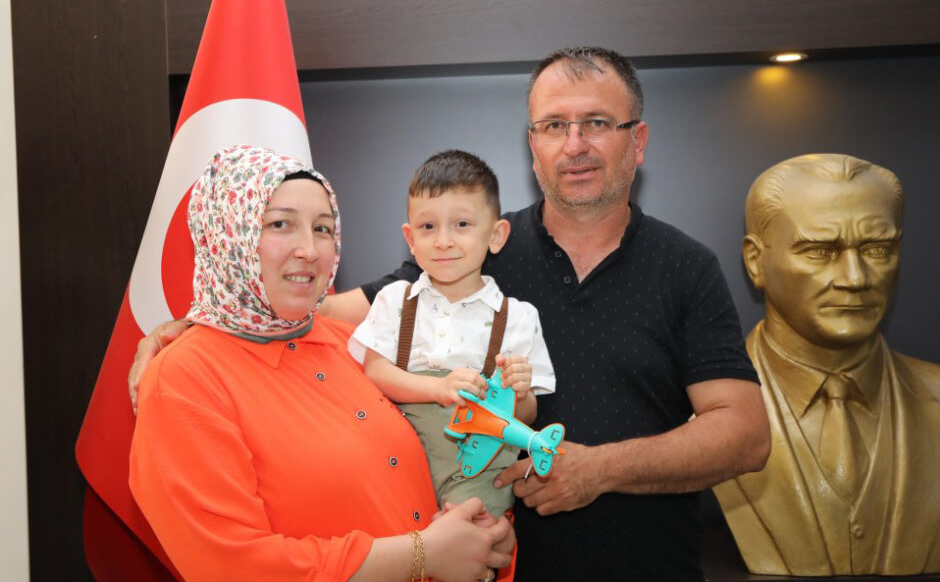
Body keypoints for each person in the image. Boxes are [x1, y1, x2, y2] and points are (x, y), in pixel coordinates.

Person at [132, 47, 770, 581]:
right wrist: (196, 325)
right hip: (491, 561)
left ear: (639, 141)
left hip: (647, 567)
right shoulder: (464, 249)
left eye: (597, 122)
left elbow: (745, 434)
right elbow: (307, 308)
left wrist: (599, 470)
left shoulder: (685, 267)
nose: (574, 144)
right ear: (532, 146)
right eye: (554, 125)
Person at [130, 145, 513, 582]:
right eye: (280, 224)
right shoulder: (182, 378)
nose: (310, 249)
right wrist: (424, 554)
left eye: (323, 228)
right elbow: (233, 566)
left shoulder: (358, 344)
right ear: (228, 235)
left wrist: (484, 539)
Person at [712, 153, 940, 576]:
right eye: (819, 251)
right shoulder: (697, 410)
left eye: (877, 249)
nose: (856, 278)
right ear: (755, 261)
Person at [348, 150, 556, 518]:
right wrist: (437, 388)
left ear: (496, 235)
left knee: (472, 531)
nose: (443, 240)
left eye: (461, 224)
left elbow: (525, 415)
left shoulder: (518, 317)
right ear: (410, 238)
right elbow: (375, 371)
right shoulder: (395, 300)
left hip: (472, 469)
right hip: (397, 462)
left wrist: (519, 391)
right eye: (428, 227)